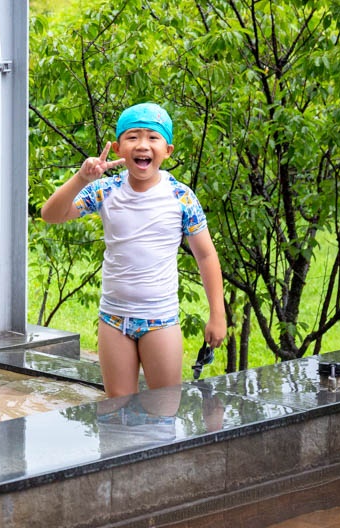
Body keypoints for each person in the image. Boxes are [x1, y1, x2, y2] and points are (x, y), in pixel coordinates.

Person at [41, 102, 226, 396]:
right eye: (133, 137)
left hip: (161, 321)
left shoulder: (180, 197)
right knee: (117, 409)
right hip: (113, 320)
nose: (143, 145)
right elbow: (50, 214)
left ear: (168, 150)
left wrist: (218, 314)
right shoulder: (105, 190)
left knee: (164, 411)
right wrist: (82, 179)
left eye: (153, 138)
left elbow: (206, 255)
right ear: (117, 148)